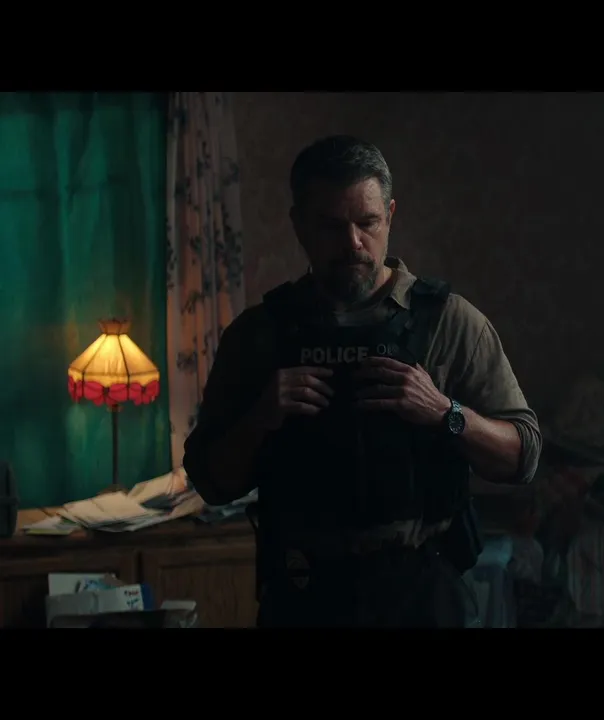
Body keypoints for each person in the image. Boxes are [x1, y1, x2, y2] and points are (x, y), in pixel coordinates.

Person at [183, 135, 541, 627]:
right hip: (304, 596)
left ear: (389, 216)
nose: (352, 243)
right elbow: (210, 480)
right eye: (331, 226)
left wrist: (446, 413)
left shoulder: (449, 323)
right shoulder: (259, 335)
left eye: (367, 223)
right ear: (299, 225)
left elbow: (523, 456)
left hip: (421, 594)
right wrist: (260, 417)